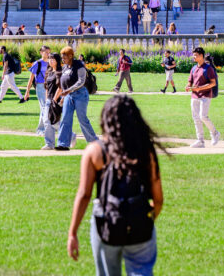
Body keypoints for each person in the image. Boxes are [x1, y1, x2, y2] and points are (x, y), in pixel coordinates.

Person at [67, 95, 164, 275]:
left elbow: (84, 195)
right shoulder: (146, 151)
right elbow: (158, 199)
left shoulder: (95, 151)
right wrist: (144, 218)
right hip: (140, 222)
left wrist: (72, 232)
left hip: (106, 222)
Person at [55, 46, 99, 151]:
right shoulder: (65, 67)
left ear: (71, 56)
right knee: (65, 118)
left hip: (80, 94)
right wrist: (63, 97)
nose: (63, 59)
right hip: (68, 96)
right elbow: (64, 83)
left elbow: (81, 81)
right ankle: (63, 144)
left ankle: (95, 143)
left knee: (82, 119)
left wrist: (69, 90)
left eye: (64, 57)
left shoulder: (79, 65)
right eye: (62, 57)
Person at [185, 47, 220, 148]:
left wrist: (199, 88)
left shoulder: (208, 68)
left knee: (203, 116)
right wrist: (188, 86)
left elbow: (213, 83)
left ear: (201, 56)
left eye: (195, 55)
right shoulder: (194, 68)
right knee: (196, 118)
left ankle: (215, 133)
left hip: (205, 96)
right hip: (194, 96)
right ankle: (200, 141)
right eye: (194, 55)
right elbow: (190, 81)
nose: (194, 57)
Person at [25, 45, 52, 134]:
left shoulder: (50, 63)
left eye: (49, 52)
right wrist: (27, 92)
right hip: (40, 87)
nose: (48, 54)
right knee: (44, 107)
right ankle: (41, 129)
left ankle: (43, 128)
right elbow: (31, 78)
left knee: (46, 107)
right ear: (41, 52)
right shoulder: (37, 63)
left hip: (48, 87)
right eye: (46, 52)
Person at [41, 49, 61, 150]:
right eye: (50, 59)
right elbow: (47, 87)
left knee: (50, 121)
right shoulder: (49, 72)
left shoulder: (59, 72)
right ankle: (70, 135)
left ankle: (49, 144)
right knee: (52, 122)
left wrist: (55, 99)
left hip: (56, 100)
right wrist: (46, 99)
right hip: (48, 99)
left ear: (57, 60)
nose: (51, 61)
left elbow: (61, 87)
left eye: (53, 59)